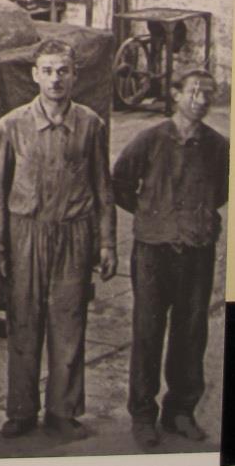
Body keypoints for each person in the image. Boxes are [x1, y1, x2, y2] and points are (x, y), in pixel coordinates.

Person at [0, 39, 116, 442]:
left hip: (73, 235)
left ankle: (63, 410)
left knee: (69, 324)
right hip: (26, 233)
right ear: (35, 75)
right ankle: (21, 410)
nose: (56, 79)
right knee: (23, 322)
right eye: (48, 70)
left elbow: (102, 187)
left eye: (64, 71)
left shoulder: (91, 124)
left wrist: (107, 243)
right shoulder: (11, 125)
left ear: (75, 75)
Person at [113, 68, 228, 450]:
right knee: (147, 332)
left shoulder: (218, 146)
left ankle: (180, 410)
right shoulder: (148, 139)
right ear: (176, 94)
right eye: (193, 91)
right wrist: (154, 214)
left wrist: (193, 218)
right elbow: (121, 183)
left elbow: (221, 192)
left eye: (208, 94)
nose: (201, 99)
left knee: (192, 331)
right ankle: (143, 415)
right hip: (153, 250)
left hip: (196, 249)